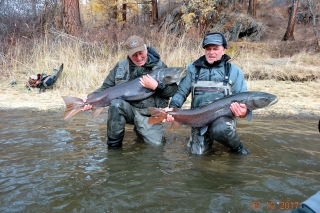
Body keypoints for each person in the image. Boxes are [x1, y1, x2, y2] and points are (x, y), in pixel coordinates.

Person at [83, 35, 178, 148]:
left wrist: (157, 86)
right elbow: (105, 88)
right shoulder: (120, 66)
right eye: (134, 54)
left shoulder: (160, 68)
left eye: (141, 53)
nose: (138, 58)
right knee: (116, 104)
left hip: (149, 115)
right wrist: (90, 98)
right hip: (128, 111)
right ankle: (114, 149)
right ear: (128, 54)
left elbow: (172, 91)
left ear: (146, 49)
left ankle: (142, 133)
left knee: (156, 148)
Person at [165, 32, 249, 155]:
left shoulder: (235, 71)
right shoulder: (192, 68)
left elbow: (243, 98)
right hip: (198, 119)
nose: (211, 52)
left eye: (216, 49)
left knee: (222, 130)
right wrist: (173, 108)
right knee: (197, 155)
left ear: (224, 50)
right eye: (208, 49)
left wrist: (244, 112)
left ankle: (237, 148)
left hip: (222, 119)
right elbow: (181, 92)